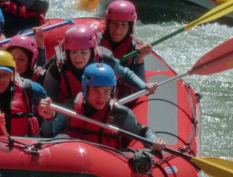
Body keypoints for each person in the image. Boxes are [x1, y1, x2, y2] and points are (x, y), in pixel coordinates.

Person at [38, 63, 166, 151]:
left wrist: (154, 140)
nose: (101, 98)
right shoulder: (71, 107)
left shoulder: (119, 113)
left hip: (105, 170)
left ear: (112, 90)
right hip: (73, 163)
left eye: (106, 91)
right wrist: (48, 119)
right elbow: (48, 137)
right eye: (96, 91)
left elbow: (144, 133)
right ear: (85, 89)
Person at [42, 24, 157, 105]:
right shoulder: (57, 68)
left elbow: (126, 75)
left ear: (92, 51)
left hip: (103, 109)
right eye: (74, 52)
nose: (78, 57)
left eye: (83, 52)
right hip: (70, 112)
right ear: (67, 52)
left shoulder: (105, 59)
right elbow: (49, 98)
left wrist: (143, 86)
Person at [99, 0, 152, 97]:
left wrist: (140, 59)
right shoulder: (97, 44)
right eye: (114, 23)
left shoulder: (133, 49)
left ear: (130, 27)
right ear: (108, 23)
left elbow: (140, 91)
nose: (118, 29)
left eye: (123, 24)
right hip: (98, 97)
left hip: (123, 100)